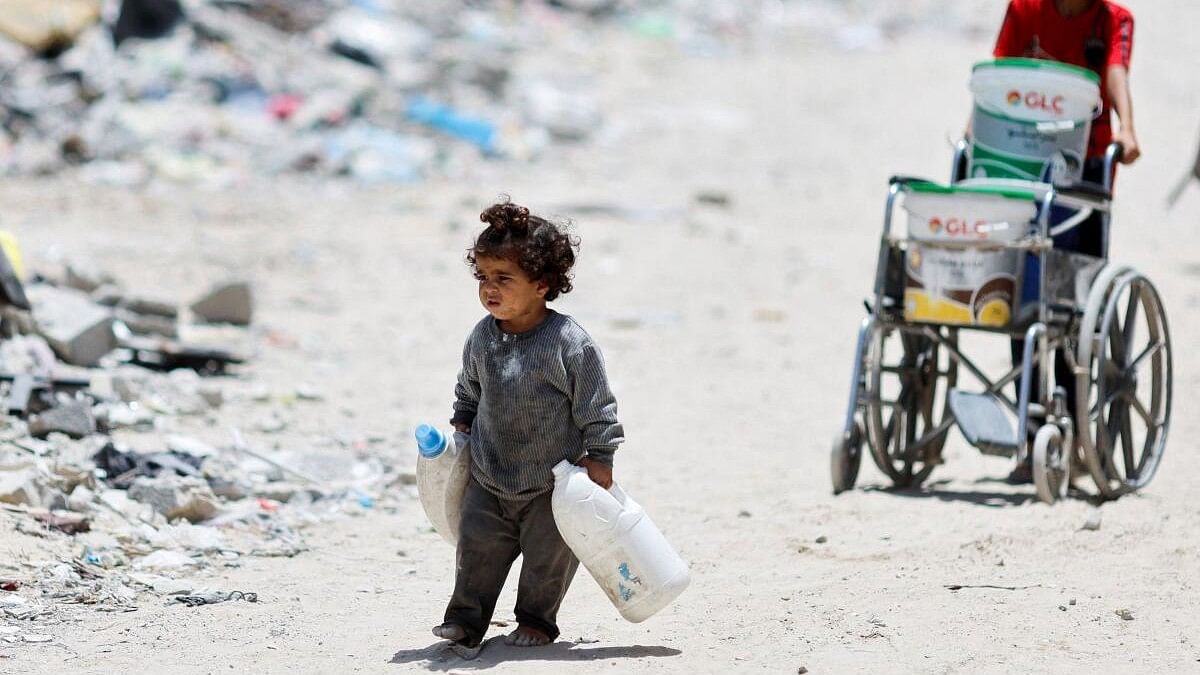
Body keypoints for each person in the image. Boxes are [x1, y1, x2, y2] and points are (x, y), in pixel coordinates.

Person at [431, 200, 624, 649]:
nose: (489, 290)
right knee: (476, 551)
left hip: (552, 483)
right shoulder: (482, 335)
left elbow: (596, 405)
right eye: (483, 278)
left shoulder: (568, 343)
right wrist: (462, 421)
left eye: (503, 279)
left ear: (541, 285)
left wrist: (601, 456)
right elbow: (470, 387)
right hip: (489, 473)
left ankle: (536, 621)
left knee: (547, 560)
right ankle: (465, 621)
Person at [991, 0, 1138, 483]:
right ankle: (1031, 432)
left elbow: (1115, 70)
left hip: (1083, 167)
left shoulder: (1112, 20)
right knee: (1025, 297)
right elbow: (1000, 74)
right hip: (1023, 158)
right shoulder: (1025, 9)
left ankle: (1074, 433)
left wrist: (1128, 127)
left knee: (1070, 303)